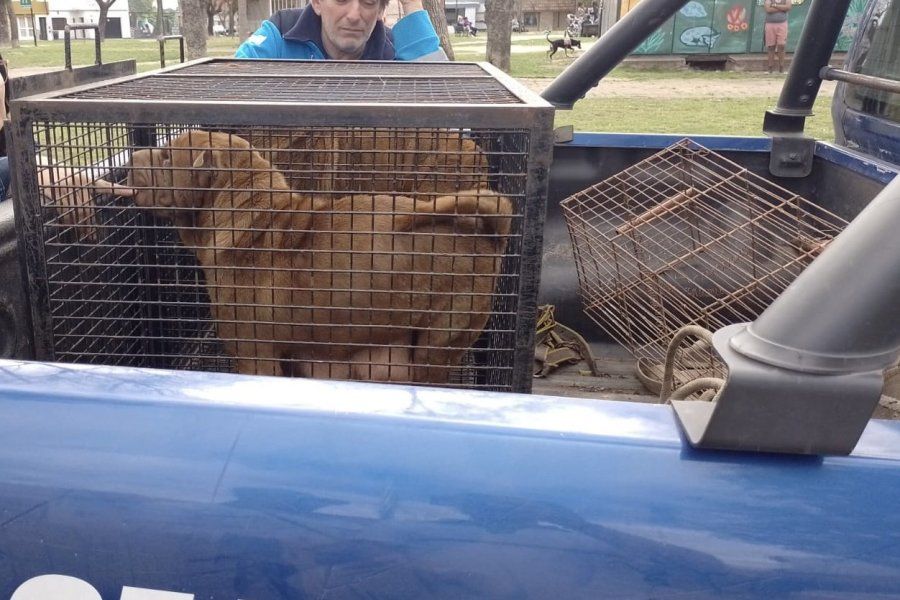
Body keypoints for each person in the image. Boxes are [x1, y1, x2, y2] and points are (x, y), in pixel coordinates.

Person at [235, 0, 447, 61]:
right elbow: (227, 91)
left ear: (381, 11)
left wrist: (412, 5)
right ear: (316, 3)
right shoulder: (280, 32)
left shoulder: (393, 54)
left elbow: (448, 123)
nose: (354, 15)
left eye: (369, 2)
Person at [764, 0, 792, 74]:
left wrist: (774, 5)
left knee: (782, 45)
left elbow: (788, 7)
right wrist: (782, 8)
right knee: (771, 46)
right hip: (770, 24)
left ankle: (781, 68)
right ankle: (770, 69)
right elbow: (768, 9)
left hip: (782, 24)